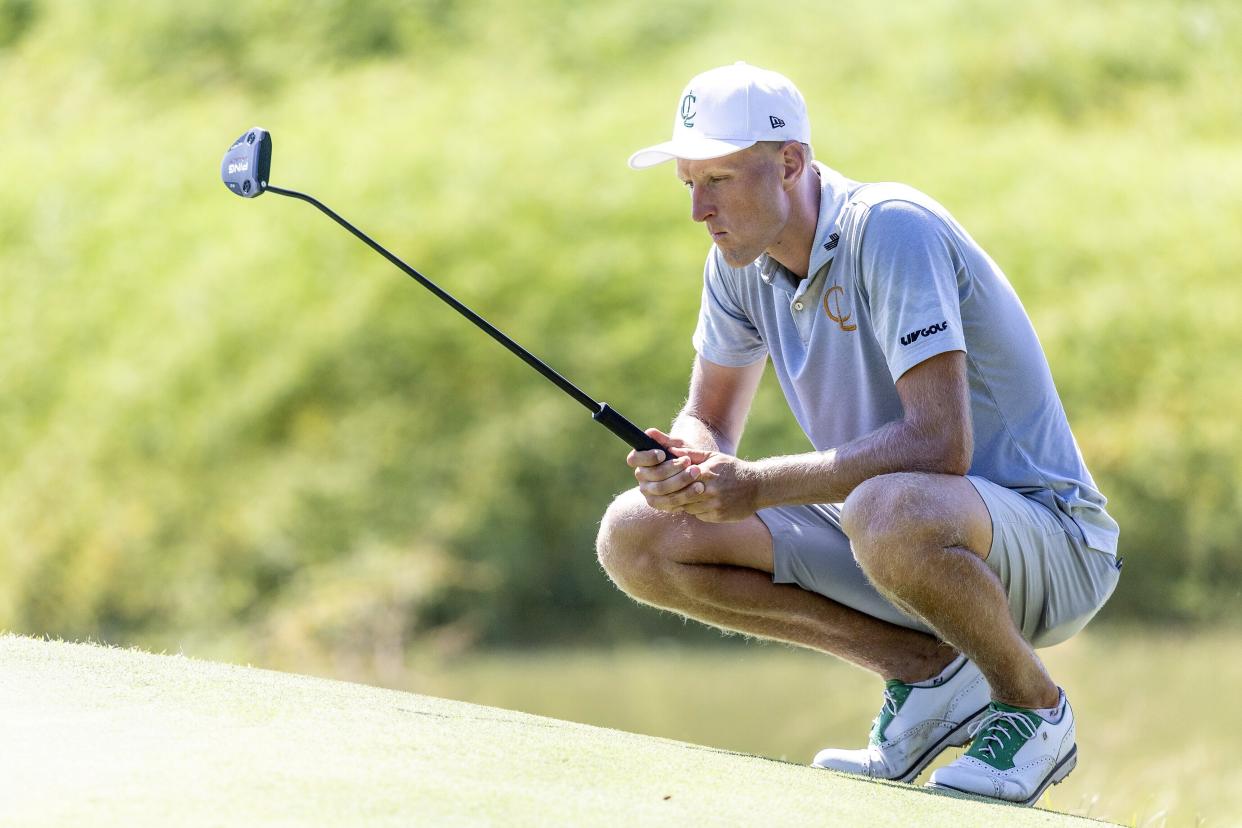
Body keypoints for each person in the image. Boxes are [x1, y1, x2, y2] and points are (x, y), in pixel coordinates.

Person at [596, 61, 1122, 806]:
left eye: (718, 180)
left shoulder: (889, 228)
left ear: (790, 162)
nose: (699, 210)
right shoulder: (737, 263)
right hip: (894, 532)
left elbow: (940, 444)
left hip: (1049, 544)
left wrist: (753, 487)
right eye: (689, 183)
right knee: (639, 534)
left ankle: (1035, 709)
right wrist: (689, 463)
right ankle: (927, 674)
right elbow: (709, 417)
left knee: (887, 507)